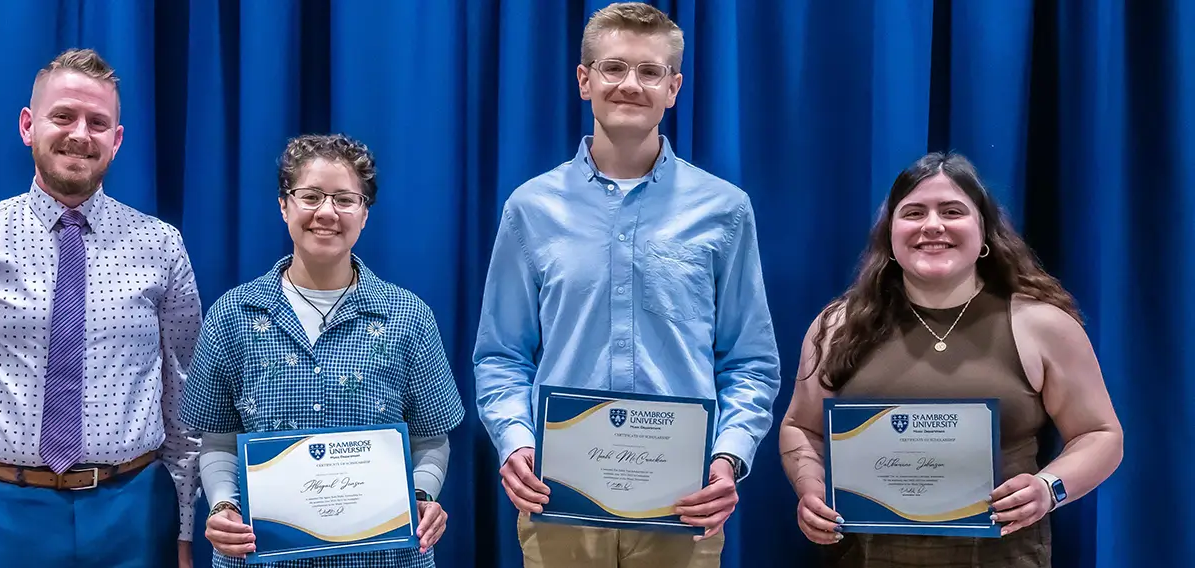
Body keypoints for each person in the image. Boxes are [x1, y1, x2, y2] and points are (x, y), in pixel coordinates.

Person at [473, 3, 781, 567]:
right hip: (558, 502)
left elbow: (751, 361)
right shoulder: (531, 208)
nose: (630, 85)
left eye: (650, 72)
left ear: (674, 87)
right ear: (584, 80)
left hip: (683, 507)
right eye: (613, 68)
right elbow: (500, 355)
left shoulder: (726, 210)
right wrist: (516, 441)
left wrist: (727, 458)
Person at [0, 48, 202, 567]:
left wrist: (185, 534)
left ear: (117, 140)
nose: (80, 134)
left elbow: (186, 403)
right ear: (28, 126)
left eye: (98, 122)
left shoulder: (161, 245)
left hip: (137, 519)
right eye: (63, 116)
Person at [777, 152, 1124, 567]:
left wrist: (1050, 488)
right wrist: (811, 489)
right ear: (890, 235)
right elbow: (800, 427)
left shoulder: (1043, 324)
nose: (933, 225)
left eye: (952, 211)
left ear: (985, 234)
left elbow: (1101, 434)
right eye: (914, 212)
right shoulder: (837, 325)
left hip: (1005, 557)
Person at [181, 133, 466, 567]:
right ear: (284, 205)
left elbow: (431, 439)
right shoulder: (232, 315)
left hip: (384, 558)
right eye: (310, 196)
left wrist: (423, 496)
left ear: (365, 213)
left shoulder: (408, 317)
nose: (327, 213)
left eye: (345, 199)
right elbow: (217, 439)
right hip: (262, 557)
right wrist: (223, 506)